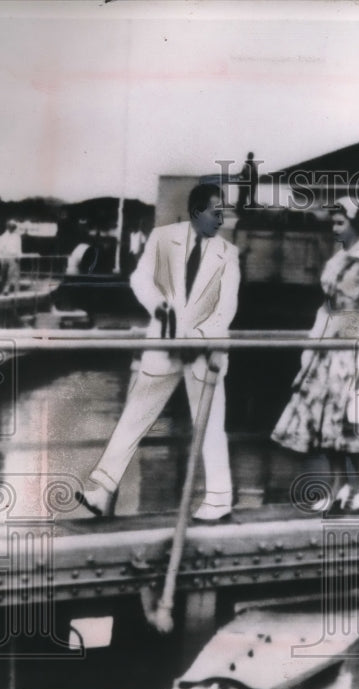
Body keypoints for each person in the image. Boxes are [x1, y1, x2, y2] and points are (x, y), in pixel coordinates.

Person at [76, 184, 240, 522]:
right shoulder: (162, 239)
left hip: (203, 351)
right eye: (216, 211)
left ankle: (220, 499)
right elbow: (140, 279)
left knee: (209, 423)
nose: (222, 218)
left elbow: (227, 309)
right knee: (135, 414)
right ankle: (102, 491)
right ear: (196, 211)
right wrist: (159, 305)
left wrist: (195, 338)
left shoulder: (228, 254)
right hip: (164, 345)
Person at [272, 197, 359, 515]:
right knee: (329, 422)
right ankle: (340, 484)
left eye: (340, 223)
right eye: (334, 223)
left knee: (353, 418)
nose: (335, 228)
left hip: (352, 347)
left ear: (355, 224)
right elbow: (326, 305)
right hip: (328, 345)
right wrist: (313, 343)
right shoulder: (339, 258)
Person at [0, 221, 23, 294]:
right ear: (8, 227)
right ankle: (4, 288)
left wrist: (19, 256)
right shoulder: (4, 236)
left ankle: (7, 288)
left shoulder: (17, 236)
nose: (12, 228)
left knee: (11, 273)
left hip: (13, 256)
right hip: (4, 256)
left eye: (13, 227)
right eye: (10, 226)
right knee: (4, 273)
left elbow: (18, 247)